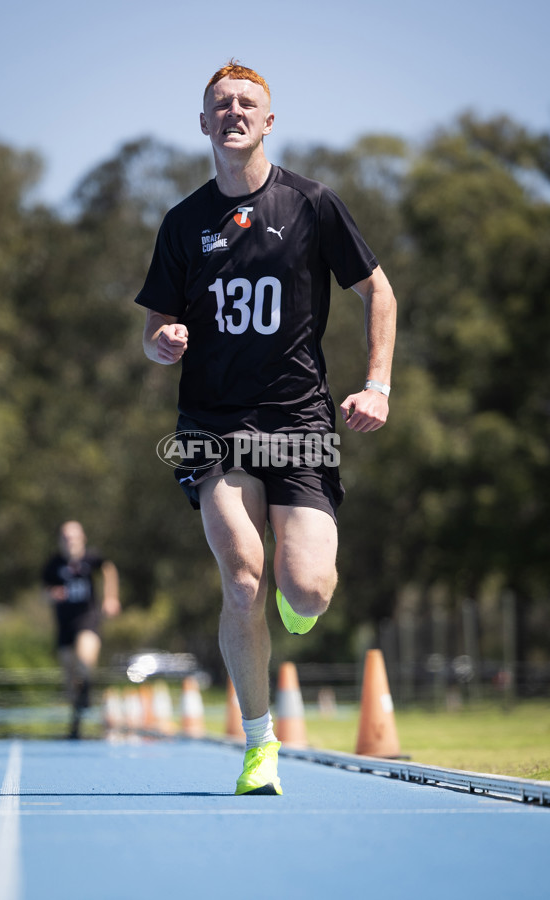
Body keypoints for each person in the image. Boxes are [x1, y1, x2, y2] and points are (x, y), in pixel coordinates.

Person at [135, 62, 397, 794]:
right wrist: (162, 342)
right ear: (204, 123)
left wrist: (377, 383)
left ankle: (297, 592)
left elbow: (378, 290)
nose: (234, 112)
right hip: (215, 426)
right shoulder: (183, 222)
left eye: (247, 102)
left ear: (269, 121)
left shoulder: (312, 205)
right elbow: (155, 327)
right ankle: (259, 743)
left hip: (299, 419)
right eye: (220, 104)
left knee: (306, 590)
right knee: (241, 578)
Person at [42, 520, 121, 738]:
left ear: (83, 539)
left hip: (88, 619)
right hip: (64, 625)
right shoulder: (53, 564)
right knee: (69, 674)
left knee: (85, 658)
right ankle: (75, 721)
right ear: (60, 541)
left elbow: (109, 568)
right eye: (66, 538)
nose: (71, 542)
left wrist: (111, 597)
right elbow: (45, 591)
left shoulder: (92, 558)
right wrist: (51, 594)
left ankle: (86, 686)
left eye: (75, 537)